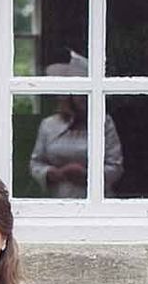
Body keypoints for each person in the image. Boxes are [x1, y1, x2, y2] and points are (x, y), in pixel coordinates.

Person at [29, 55, 123, 198]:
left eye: (86, 95)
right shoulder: (49, 125)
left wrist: (85, 175)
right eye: (79, 94)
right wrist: (55, 174)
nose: (83, 99)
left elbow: (115, 166)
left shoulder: (104, 123)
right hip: (59, 199)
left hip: (96, 200)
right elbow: (36, 163)